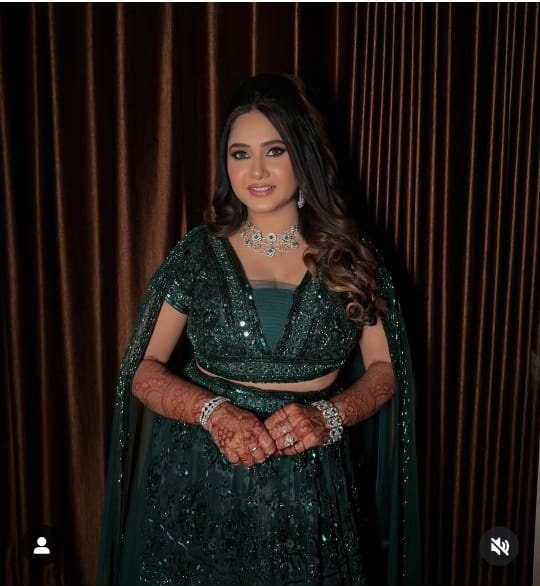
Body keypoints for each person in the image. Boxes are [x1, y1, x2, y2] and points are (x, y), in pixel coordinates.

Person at [97, 74, 421, 586]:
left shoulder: (351, 256)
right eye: (240, 154)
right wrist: (213, 413)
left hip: (311, 485)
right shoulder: (198, 254)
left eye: (275, 150)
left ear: (303, 154)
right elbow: (143, 371)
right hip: (200, 481)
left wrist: (329, 417)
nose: (257, 171)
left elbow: (386, 369)